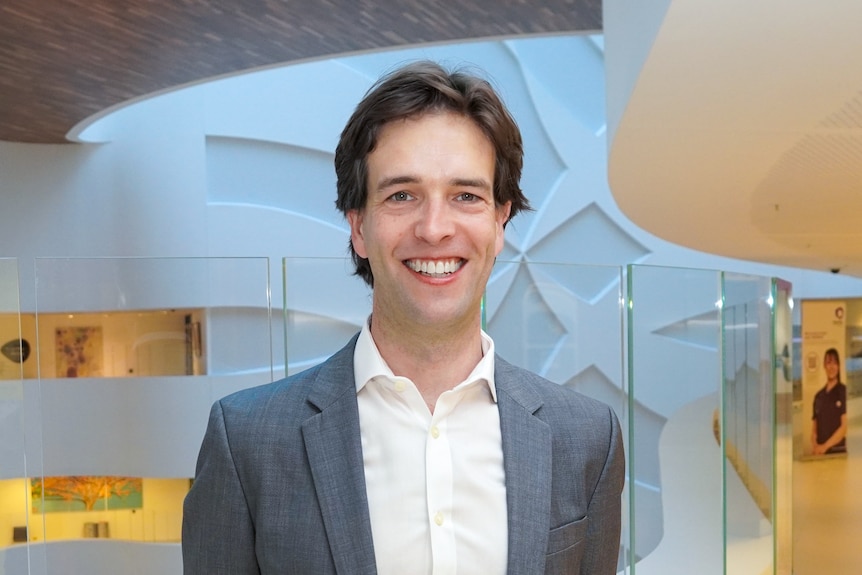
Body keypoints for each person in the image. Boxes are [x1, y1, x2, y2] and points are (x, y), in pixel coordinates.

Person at [182, 60, 625, 575]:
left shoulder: (586, 439)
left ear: (500, 221)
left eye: (466, 196)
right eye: (401, 196)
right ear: (359, 227)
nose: (434, 228)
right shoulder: (246, 443)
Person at [811, 347, 848, 455]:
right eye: (828, 362)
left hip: (838, 452)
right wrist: (816, 446)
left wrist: (824, 447)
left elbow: (844, 427)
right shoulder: (818, 396)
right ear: (824, 365)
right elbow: (814, 430)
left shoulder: (843, 391)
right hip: (820, 454)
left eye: (835, 363)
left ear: (839, 366)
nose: (832, 367)